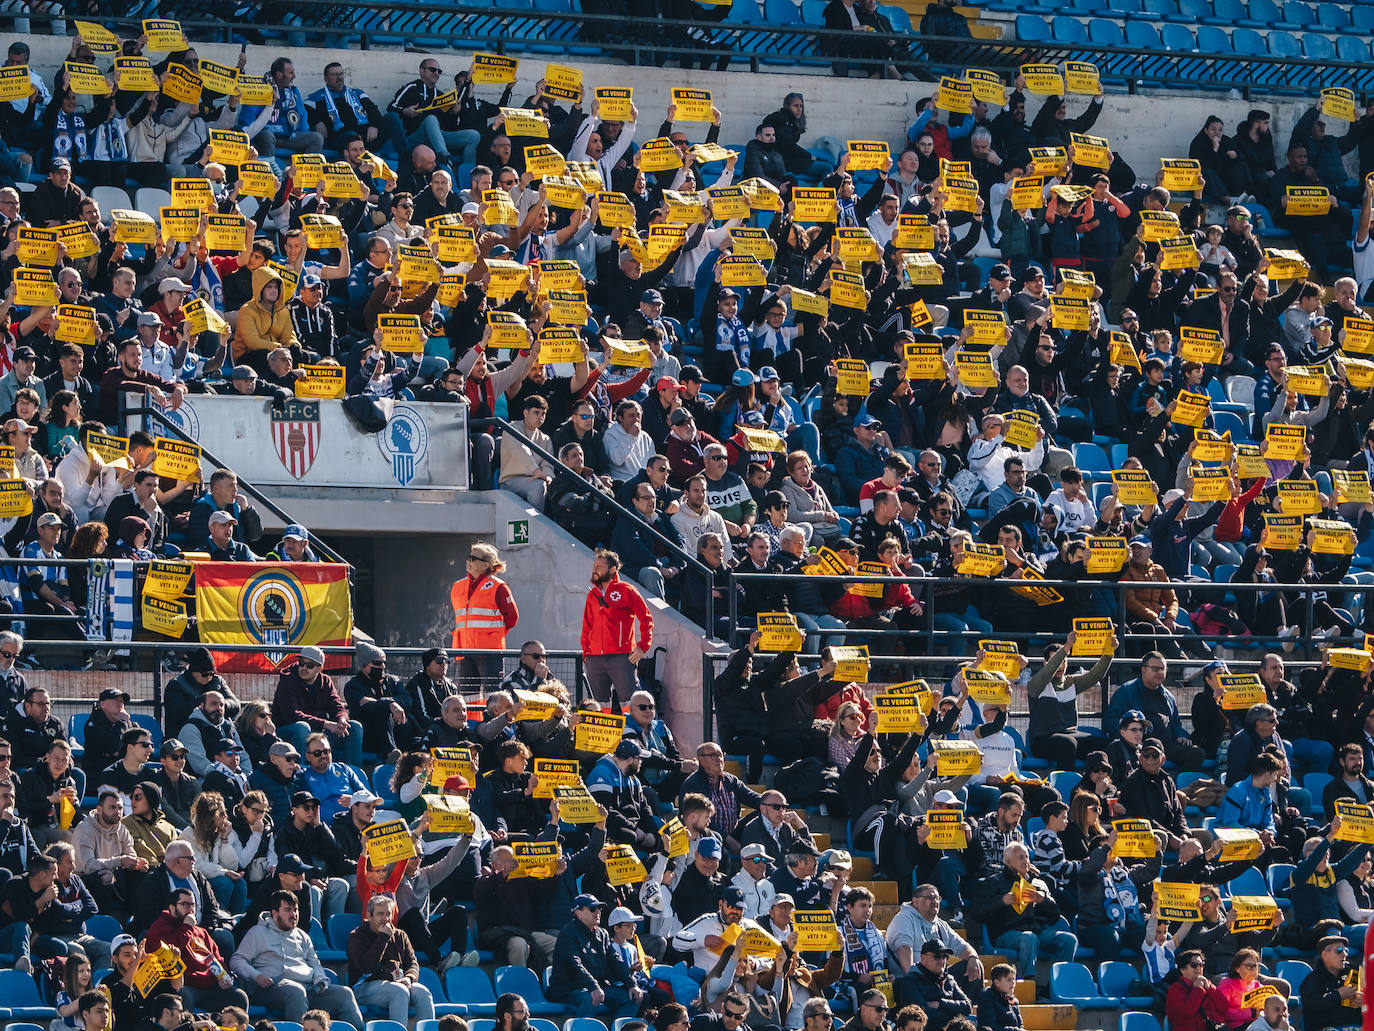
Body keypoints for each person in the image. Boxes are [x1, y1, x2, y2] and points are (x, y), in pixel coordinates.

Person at [231, 890, 365, 1025]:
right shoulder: (257, 933)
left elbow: (315, 963)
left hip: (307, 987)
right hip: (269, 987)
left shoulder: (302, 936)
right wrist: (256, 976)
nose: (293, 914)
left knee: (344, 994)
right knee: (296, 991)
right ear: (275, 913)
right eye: (288, 910)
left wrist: (319, 979)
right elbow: (237, 960)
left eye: (295, 910)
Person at [143, 887, 249, 1014]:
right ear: (172, 907)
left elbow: (216, 958)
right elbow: (170, 950)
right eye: (185, 904)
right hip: (185, 987)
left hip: (210, 986)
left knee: (239, 997)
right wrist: (187, 927)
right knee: (182, 997)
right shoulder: (160, 927)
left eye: (193, 905)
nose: (190, 909)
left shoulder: (201, 932)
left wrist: (224, 977)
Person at [548, 893, 642, 1018]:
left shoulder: (602, 934)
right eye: (592, 909)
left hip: (595, 986)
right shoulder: (568, 933)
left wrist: (632, 984)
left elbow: (615, 961)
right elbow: (574, 964)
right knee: (590, 998)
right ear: (578, 912)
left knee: (634, 997)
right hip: (568, 988)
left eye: (599, 908)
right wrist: (593, 986)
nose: (597, 911)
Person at [346, 893, 434, 1023]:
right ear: (368, 916)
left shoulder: (400, 935)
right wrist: (383, 938)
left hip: (397, 981)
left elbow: (412, 963)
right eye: (380, 914)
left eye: (388, 914)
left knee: (423, 992)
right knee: (399, 991)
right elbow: (366, 967)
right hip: (365, 985)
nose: (386, 918)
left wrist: (409, 978)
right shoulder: (356, 936)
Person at [581, 549, 653, 703]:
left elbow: (646, 619)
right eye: (594, 566)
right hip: (594, 659)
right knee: (599, 706)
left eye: (599, 567)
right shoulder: (593, 594)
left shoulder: (627, 590)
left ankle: (631, 729)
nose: (595, 569)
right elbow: (587, 625)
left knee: (630, 703)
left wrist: (642, 647)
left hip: (622, 657)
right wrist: (586, 654)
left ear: (612, 569)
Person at [449, 542, 519, 693]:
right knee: (466, 697)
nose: (468, 561)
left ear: (486, 564)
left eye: (473, 558)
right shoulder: (458, 586)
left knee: (493, 695)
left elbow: (512, 617)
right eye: (468, 557)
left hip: (490, 652)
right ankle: (471, 718)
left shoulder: (498, 587)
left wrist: (493, 635)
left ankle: (493, 718)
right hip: (464, 651)